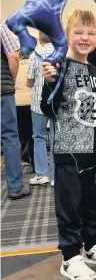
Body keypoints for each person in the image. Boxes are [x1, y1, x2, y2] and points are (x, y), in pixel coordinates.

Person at [41, 10, 96, 280]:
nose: (85, 38)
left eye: (90, 33)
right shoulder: (59, 66)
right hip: (68, 150)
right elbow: (47, 107)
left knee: (92, 202)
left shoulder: (94, 71)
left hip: (93, 148)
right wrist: (50, 82)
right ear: (67, 35)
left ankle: (91, 244)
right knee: (69, 204)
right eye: (79, 32)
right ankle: (70, 255)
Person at [0, 21, 31, 199]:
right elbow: (13, 55)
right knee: (10, 137)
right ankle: (15, 187)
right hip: (2, 92)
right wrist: (10, 80)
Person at [27, 32, 55, 186]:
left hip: (38, 103)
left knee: (39, 138)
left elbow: (29, 82)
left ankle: (41, 174)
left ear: (39, 38)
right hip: (55, 102)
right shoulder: (60, 53)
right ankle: (55, 176)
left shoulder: (33, 56)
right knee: (56, 138)